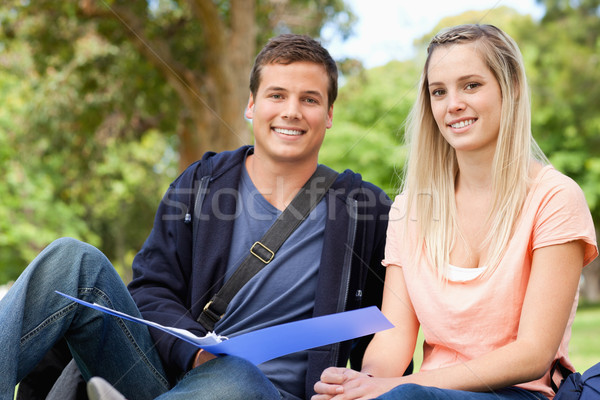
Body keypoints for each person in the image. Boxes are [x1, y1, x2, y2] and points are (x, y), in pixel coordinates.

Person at [0, 34, 394, 400]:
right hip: (170, 377)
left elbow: (389, 333)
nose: (291, 111)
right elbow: (151, 292)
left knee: (237, 377)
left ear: (328, 115)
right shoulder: (202, 183)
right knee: (70, 260)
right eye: (277, 95)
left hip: (267, 393)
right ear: (252, 106)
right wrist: (196, 353)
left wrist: (370, 384)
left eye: (309, 99)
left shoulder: (365, 210)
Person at [312, 24, 598, 400]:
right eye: (439, 92)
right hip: (424, 393)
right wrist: (363, 384)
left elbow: (533, 354)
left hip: (519, 392)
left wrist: (397, 388)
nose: (453, 104)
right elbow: (394, 337)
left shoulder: (555, 197)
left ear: (510, 87)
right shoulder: (411, 207)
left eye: (471, 85)